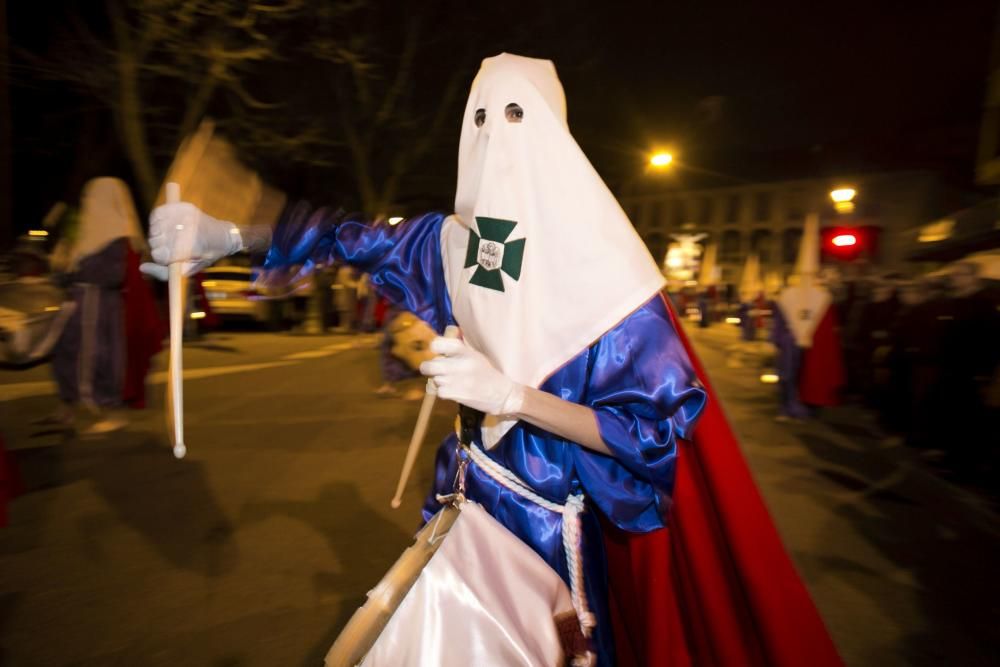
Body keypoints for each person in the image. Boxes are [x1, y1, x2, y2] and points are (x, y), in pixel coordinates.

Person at [145, 54, 842, 666]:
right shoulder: (447, 245)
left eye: (517, 112)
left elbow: (648, 437)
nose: (496, 134)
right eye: (481, 114)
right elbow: (347, 237)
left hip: (551, 538)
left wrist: (513, 395)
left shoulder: (612, 282)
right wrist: (229, 233)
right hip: (465, 503)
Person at [47, 177, 162, 433]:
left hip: (98, 308)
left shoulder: (116, 237)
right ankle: (67, 407)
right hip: (79, 305)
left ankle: (112, 410)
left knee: (97, 357)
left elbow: (108, 275)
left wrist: (72, 269)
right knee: (67, 355)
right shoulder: (88, 232)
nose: (88, 201)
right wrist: (63, 264)